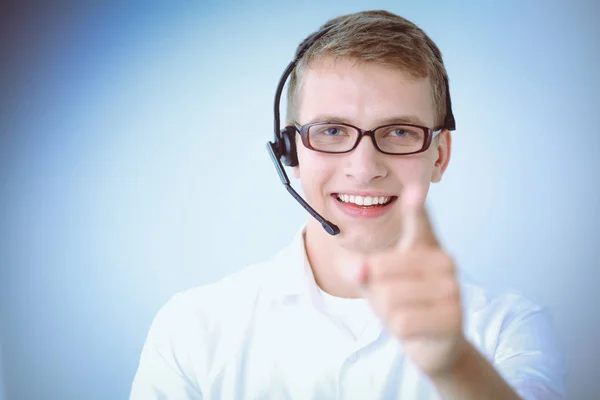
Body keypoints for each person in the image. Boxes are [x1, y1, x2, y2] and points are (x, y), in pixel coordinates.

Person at [130, 10, 567, 399]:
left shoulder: (508, 327)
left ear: (440, 154)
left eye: (399, 132)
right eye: (333, 131)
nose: (364, 168)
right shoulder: (190, 329)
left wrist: (456, 366)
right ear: (290, 152)